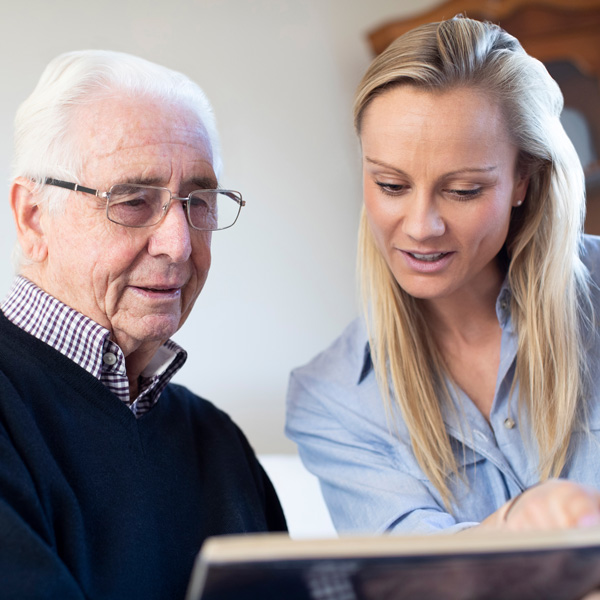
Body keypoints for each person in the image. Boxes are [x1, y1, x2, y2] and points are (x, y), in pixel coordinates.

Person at [286, 16, 600, 536]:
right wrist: (523, 526)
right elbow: (416, 578)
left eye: (463, 191)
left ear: (523, 179)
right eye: (391, 185)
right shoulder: (333, 399)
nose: (421, 227)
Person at [1, 50, 286, 599]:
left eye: (198, 201)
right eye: (132, 201)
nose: (179, 245)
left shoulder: (219, 443)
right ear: (32, 217)